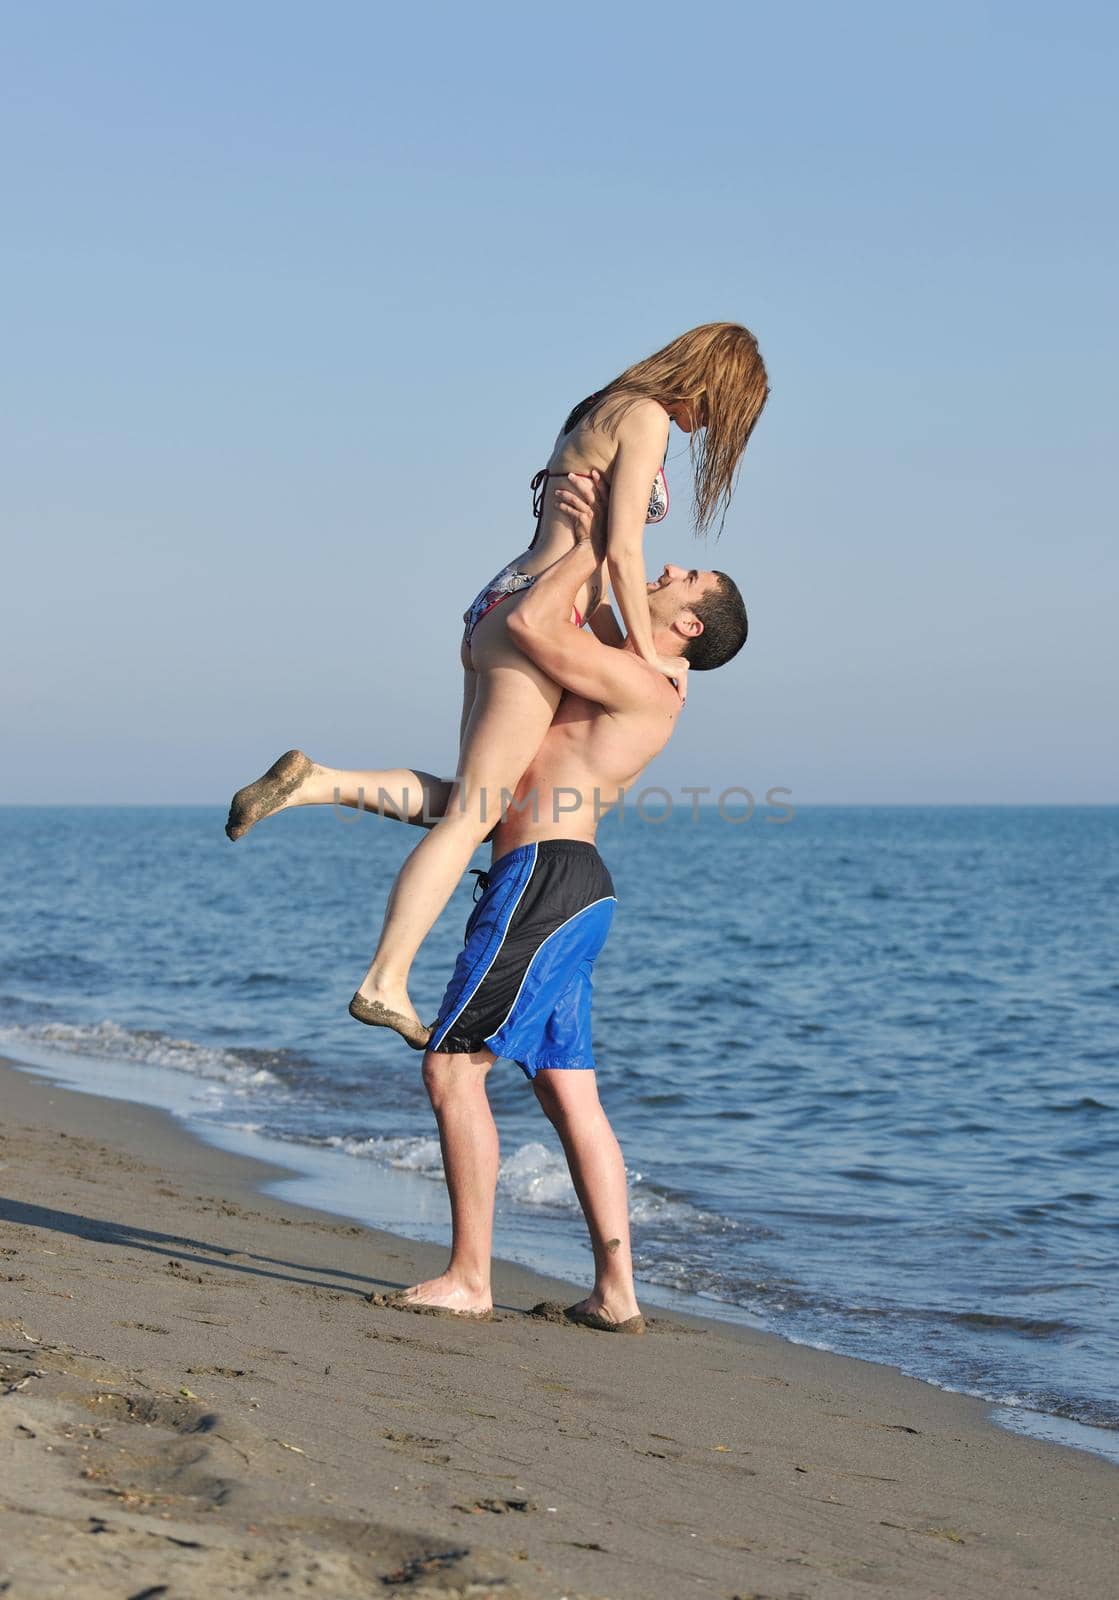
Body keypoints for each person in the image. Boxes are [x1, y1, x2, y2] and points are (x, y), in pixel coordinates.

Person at [226, 474, 749, 1329]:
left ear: (689, 628)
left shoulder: (647, 686)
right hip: (564, 887)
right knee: (568, 1094)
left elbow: (532, 623)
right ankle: (616, 1295)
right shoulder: (630, 665)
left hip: (542, 881)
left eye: (685, 580)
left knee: (448, 1067)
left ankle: (471, 1278)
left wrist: (602, 532)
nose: (667, 569)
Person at [341, 322, 768, 1047]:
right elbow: (623, 548)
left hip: (507, 593)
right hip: (542, 607)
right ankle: (383, 980)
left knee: (479, 794)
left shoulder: (601, 406)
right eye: (721, 411)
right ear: (708, 382)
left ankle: (319, 782)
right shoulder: (645, 417)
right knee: (474, 813)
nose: (707, 429)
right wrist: (645, 654)